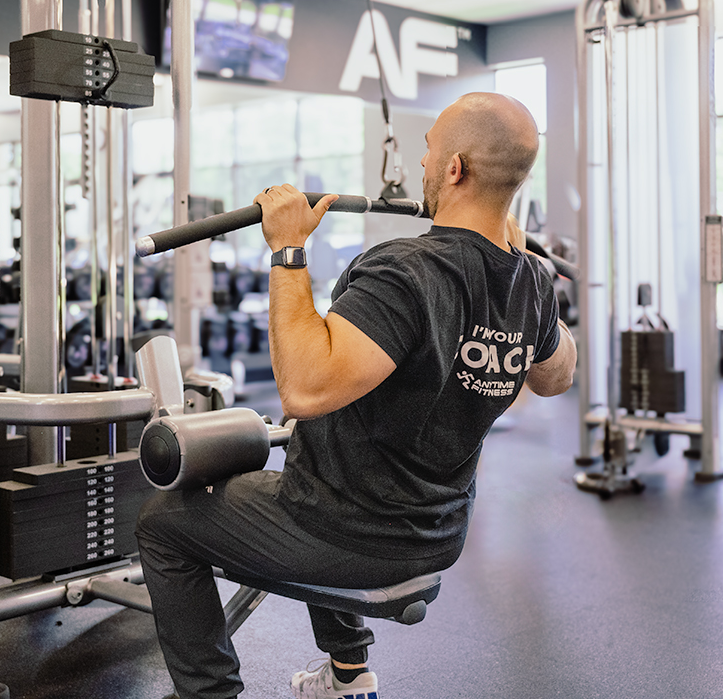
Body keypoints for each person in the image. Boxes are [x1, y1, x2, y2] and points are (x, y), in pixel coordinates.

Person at [135, 92, 577, 699]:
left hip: (349, 532)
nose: (421, 167)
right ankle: (348, 674)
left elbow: (304, 388)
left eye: (427, 153)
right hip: (437, 532)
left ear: (454, 170)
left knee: (163, 521)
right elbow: (557, 376)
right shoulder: (529, 279)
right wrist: (526, 273)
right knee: (327, 454)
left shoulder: (405, 271)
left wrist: (289, 251)